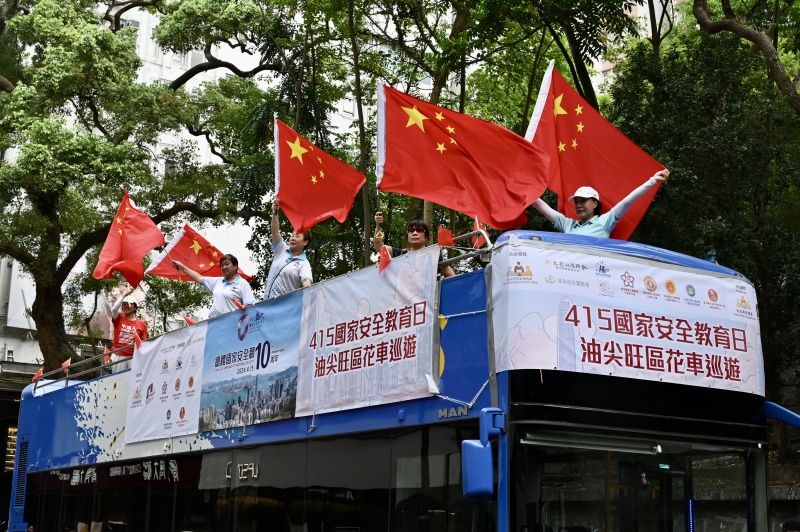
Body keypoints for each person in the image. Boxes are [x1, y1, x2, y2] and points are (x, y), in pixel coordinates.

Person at [532, 169, 670, 238]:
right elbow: (544, 209)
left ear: (595, 204)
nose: (578, 205)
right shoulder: (568, 224)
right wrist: (523, 190)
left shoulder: (604, 222)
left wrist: (652, 181)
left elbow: (627, 201)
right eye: (576, 201)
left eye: (583, 200)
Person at [373, 212, 455, 277]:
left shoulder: (433, 255)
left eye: (420, 230)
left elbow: (450, 275)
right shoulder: (401, 254)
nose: (415, 233)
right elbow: (379, 246)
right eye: (411, 230)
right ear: (407, 236)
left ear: (426, 238)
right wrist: (378, 227)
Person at [173, 254, 256, 318]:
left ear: (235, 266)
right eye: (222, 265)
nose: (224, 267)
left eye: (227, 264)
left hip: (234, 327)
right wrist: (181, 266)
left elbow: (250, 307)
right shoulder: (217, 282)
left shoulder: (242, 283)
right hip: (215, 326)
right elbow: (198, 277)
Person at [263, 203, 313, 300]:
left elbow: (307, 283)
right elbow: (275, 231)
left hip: (285, 309)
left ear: (305, 242)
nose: (293, 238)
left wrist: (308, 292)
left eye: (297, 236)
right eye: (292, 235)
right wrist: (275, 212)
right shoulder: (281, 249)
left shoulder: (304, 263)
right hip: (266, 306)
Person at [108, 287, 148, 372]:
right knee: (116, 382)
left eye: (128, 304)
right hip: (118, 356)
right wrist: (124, 295)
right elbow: (114, 309)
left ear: (135, 307)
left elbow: (144, 343)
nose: (125, 306)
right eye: (123, 304)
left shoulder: (142, 324)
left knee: (132, 381)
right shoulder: (119, 318)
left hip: (133, 357)